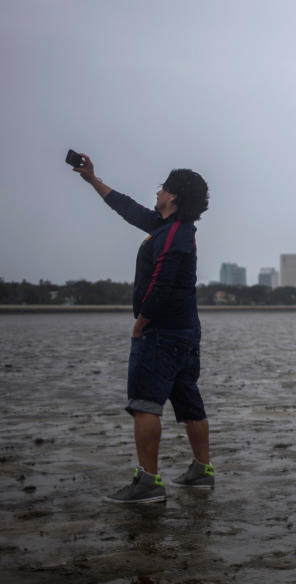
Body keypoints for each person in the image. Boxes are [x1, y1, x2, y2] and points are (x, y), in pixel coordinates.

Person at [73, 153, 215, 503]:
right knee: (188, 401)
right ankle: (201, 471)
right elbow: (128, 208)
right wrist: (93, 179)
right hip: (184, 333)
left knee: (145, 404)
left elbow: (162, 282)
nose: (158, 191)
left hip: (162, 334)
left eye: (163, 187)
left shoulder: (173, 234)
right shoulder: (168, 228)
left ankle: (148, 482)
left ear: (174, 197)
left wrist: (142, 322)